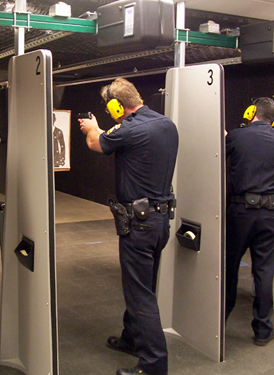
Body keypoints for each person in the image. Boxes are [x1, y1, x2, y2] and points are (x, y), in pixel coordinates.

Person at [78, 78, 178, 375]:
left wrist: (92, 128)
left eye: (111, 108)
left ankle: (154, 364)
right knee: (144, 287)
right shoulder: (166, 124)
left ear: (116, 106)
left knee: (140, 295)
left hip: (139, 224)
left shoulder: (131, 128)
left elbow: (96, 142)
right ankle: (131, 338)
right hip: (160, 222)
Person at [225, 97, 274, 346]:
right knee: (264, 271)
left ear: (252, 113)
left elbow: (231, 149)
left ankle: (218, 321)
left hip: (242, 212)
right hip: (271, 213)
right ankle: (263, 329)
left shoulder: (237, 137)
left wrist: (230, 135)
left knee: (229, 269)